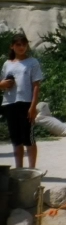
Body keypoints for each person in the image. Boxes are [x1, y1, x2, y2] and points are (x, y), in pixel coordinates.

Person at [0, 33, 43, 168]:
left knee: (28, 138)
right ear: (12, 46)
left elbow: (36, 86)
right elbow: (1, 82)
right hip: (10, 102)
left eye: (24, 44)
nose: (21, 47)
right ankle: (19, 168)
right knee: (15, 139)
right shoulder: (7, 64)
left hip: (25, 102)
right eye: (18, 45)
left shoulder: (32, 62)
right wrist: (3, 84)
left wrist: (33, 105)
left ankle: (31, 169)